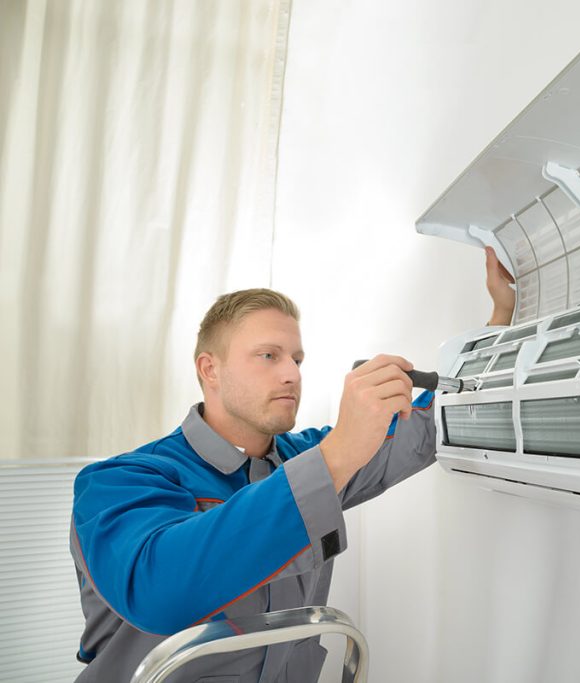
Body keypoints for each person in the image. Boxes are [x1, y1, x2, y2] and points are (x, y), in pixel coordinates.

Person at [70, 247, 516, 682]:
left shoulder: (307, 459)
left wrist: (500, 320)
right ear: (210, 369)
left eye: (297, 359)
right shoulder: (117, 482)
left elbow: (429, 426)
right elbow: (159, 590)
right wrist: (339, 452)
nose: (292, 374)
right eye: (269, 356)